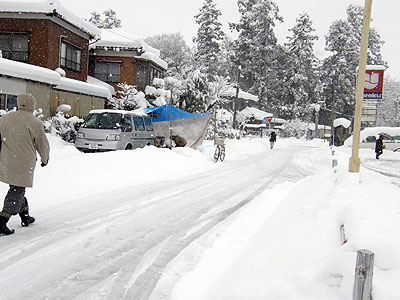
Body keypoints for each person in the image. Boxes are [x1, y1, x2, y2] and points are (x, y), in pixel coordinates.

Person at [0, 93, 50, 235]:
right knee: (17, 190)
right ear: (32, 105)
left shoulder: (5, 119)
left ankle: (25, 216)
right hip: (23, 163)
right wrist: (45, 159)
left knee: (16, 186)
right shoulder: (34, 122)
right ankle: (2, 219)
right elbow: (43, 144)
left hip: (6, 161)